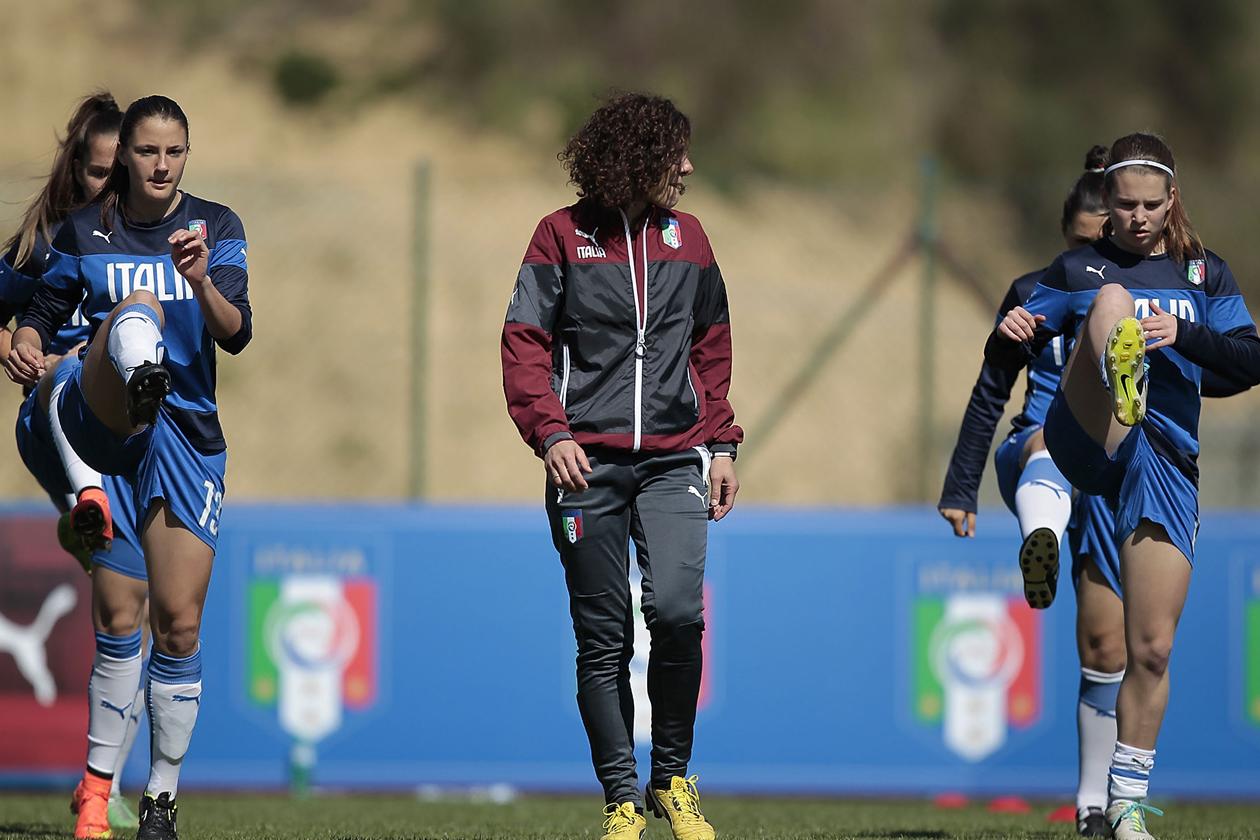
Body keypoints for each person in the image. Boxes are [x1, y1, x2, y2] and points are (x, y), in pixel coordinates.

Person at [986, 132, 1260, 840]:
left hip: (1167, 460)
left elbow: (1247, 362)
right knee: (1110, 299)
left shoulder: (1207, 275)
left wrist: (1184, 336)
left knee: (1150, 649)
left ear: (1173, 200)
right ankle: (1121, 374)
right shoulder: (1078, 266)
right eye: (1124, 203)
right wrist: (1009, 324)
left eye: (1150, 204)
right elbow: (1011, 337)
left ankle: (1125, 804)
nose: (1138, 216)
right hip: (1091, 438)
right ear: (1106, 200)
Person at [7, 94, 252, 840]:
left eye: (172, 151)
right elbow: (37, 313)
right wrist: (21, 336)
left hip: (185, 437)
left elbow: (237, 334)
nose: (158, 164)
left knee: (176, 625)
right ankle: (94, 793)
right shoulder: (81, 232)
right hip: (104, 423)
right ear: (122, 161)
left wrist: (204, 279)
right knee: (132, 312)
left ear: (186, 153)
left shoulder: (217, 227)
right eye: (145, 152)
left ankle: (160, 803)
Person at [502, 92, 741, 840]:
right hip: (585, 469)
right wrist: (551, 434)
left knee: (676, 614)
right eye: (677, 155)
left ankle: (672, 781)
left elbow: (712, 348)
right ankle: (621, 800)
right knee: (603, 639)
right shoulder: (559, 237)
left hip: (675, 461)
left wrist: (723, 444)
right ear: (638, 157)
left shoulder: (692, 239)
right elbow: (524, 345)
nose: (689, 168)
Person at [0, 91, 150, 838]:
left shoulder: (157, 236)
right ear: (77, 168)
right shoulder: (54, 241)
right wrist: (19, 349)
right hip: (57, 422)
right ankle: (82, 504)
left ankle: (104, 784)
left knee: (132, 613)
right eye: (97, 172)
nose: (110, 186)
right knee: (67, 372)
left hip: (122, 434)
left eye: (118, 172)